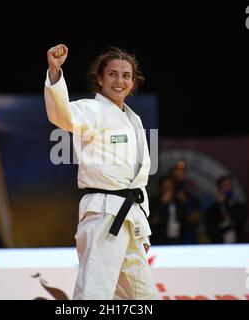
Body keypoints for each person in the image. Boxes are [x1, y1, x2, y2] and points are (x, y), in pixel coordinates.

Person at [44, 44, 159, 299]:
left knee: (143, 297)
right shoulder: (93, 110)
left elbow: (138, 178)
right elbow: (63, 116)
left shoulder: (133, 119)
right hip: (105, 214)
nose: (119, 81)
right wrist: (54, 72)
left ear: (133, 82)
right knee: (94, 293)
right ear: (100, 79)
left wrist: (142, 218)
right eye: (113, 74)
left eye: (126, 76)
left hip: (130, 216)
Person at [205, 175, 249, 244]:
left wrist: (226, 204)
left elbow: (238, 221)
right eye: (225, 186)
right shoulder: (212, 210)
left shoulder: (240, 207)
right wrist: (219, 205)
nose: (228, 189)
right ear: (219, 189)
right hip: (219, 245)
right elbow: (211, 230)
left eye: (230, 186)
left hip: (238, 245)